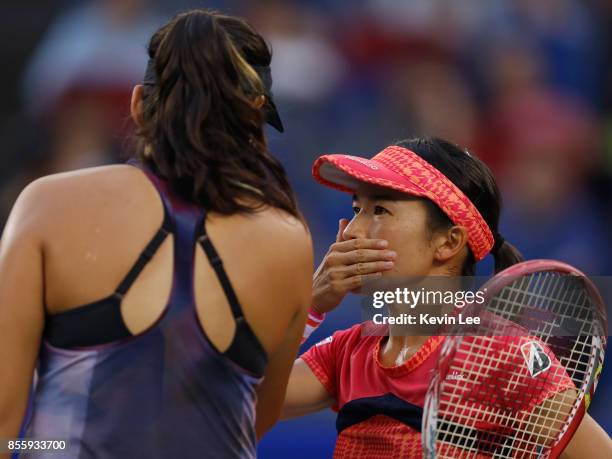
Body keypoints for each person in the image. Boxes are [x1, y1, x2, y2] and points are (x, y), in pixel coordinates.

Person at [0, 9, 312, 459]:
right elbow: (247, 424)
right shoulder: (289, 238)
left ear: (136, 105)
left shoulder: (47, 204)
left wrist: (48, 442)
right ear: (254, 122)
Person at [283, 137, 612, 458]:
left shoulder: (502, 355)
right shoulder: (348, 351)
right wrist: (310, 307)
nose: (352, 232)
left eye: (380, 210)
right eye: (357, 209)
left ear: (448, 243)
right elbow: (242, 403)